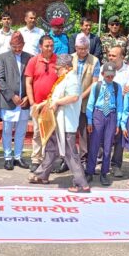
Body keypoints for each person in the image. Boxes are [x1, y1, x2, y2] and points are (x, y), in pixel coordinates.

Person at [28, 54, 90, 193]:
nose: (56, 71)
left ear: (67, 68)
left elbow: (73, 97)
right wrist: (41, 105)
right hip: (56, 122)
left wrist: (56, 103)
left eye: (58, 68)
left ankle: (81, 184)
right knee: (51, 148)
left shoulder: (73, 78)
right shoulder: (63, 79)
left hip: (66, 124)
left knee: (70, 153)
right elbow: (54, 97)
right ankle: (42, 175)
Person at [0, 31, 32, 170]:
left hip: (24, 101)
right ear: (10, 45)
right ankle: (7, 157)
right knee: (6, 130)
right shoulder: (3, 57)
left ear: (23, 44)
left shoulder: (29, 57)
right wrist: (12, 95)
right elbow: (0, 79)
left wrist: (28, 97)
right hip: (9, 101)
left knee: (21, 131)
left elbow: (32, 80)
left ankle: (18, 156)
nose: (17, 49)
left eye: (20, 46)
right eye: (14, 46)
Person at [85, 62, 123, 186]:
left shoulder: (117, 87)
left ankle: (104, 173)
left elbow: (120, 106)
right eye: (107, 76)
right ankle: (89, 171)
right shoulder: (96, 86)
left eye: (112, 76)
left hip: (111, 115)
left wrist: (118, 123)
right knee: (94, 145)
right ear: (102, 74)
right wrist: (89, 121)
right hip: (98, 114)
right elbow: (90, 104)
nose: (110, 78)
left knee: (107, 146)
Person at [25, 35, 58, 171]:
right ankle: (36, 159)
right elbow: (28, 82)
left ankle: (49, 160)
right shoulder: (33, 61)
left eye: (51, 46)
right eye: (46, 46)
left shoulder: (58, 60)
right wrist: (32, 102)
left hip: (53, 105)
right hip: (37, 104)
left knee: (51, 133)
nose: (50, 48)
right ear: (40, 46)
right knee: (38, 133)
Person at [69, 33, 100, 168]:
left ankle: (83, 160)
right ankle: (68, 160)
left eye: (85, 48)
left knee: (84, 133)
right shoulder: (70, 58)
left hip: (85, 102)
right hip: (69, 102)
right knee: (69, 132)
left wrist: (80, 97)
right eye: (80, 48)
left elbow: (94, 83)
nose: (82, 51)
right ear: (75, 47)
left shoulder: (95, 61)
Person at [103, 46, 129, 177]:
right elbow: (101, 86)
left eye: (114, 56)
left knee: (119, 138)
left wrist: (126, 91)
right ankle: (102, 163)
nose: (110, 58)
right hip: (105, 108)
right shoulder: (104, 68)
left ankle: (116, 165)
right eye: (109, 55)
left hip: (121, 109)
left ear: (122, 57)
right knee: (103, 137)